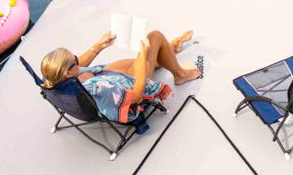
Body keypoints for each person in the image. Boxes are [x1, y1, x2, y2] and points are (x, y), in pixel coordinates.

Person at [39, 29, 201, 124]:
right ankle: (180, 74)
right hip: (126, 90)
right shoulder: (99, 89)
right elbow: (136, 97)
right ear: (67, 73)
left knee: (148, 54)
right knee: (154, 37)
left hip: (106, 77)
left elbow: (78, 65)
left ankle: (168, 48)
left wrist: (98, 46)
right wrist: (143, 60)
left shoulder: (52, 80)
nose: (78, 59)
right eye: (75, 60)